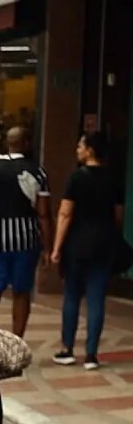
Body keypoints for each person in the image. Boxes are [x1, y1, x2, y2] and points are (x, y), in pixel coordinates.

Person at [50, 130, 125, 370]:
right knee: (96, 299)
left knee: (72, 295)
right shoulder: (114, 179)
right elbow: (118, 216)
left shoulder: (76, 178)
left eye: (81, 145)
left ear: (90, 149)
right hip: (104, 244)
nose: (77, 149)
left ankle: (67, 349)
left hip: (77, 244)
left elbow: (65, 214)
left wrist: (56, 247)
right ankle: (91, 355)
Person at [0, 126, 50, 337]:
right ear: (26, 143)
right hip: (26, 240)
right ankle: (17, 339)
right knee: (21, 292)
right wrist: (48, 247)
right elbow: (43, 213)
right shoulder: (38, 171)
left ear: (8, 143)